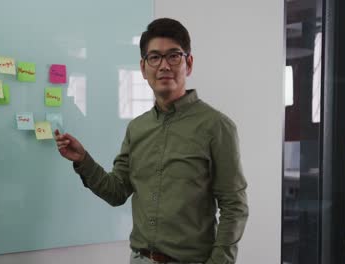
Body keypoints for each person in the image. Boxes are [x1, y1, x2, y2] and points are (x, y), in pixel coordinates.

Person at [54, 18, 248, 264]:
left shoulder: (217, 127)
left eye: (173, 56)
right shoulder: (137, 128)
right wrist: (83, 160)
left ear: (188, 63)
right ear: (143, 68)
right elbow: (117, 192)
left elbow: (235, 206)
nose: (164, 66)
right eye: (154, 57)